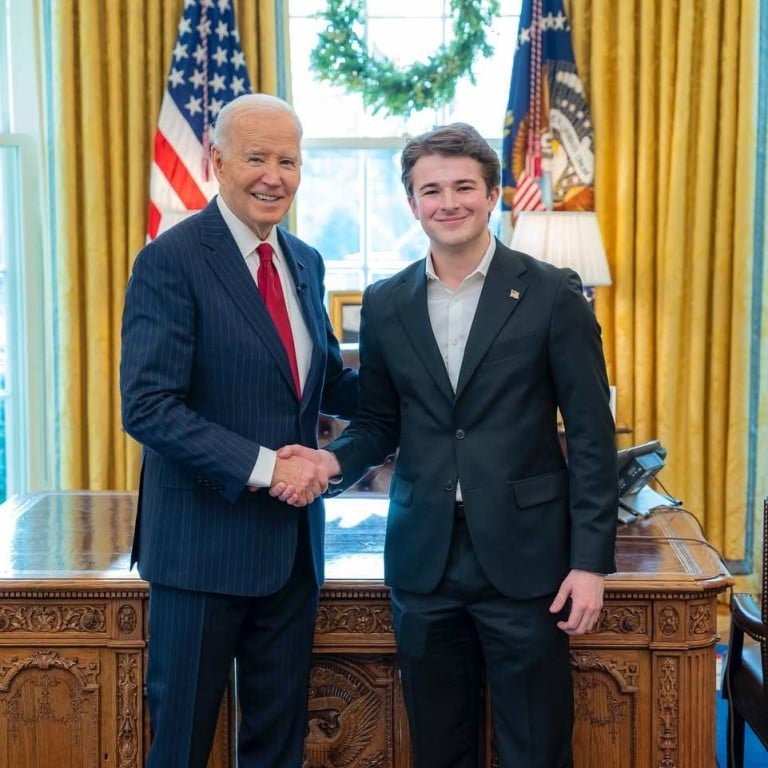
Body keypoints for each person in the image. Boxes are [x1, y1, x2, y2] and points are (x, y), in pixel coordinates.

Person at [276, 123, 618, 768]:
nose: (448, 202)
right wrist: (330, 461)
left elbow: (594, 437)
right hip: (423, 560)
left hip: (528, 562)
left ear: (492, 195)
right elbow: (379, 423)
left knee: (535, 748)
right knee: (437, 747)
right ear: (412, 203)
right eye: (430, 190)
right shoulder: (385, 302)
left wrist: (590, 562)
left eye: (464, 186)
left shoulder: (552, 293)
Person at [120, 93, 357, 768]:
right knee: (181, 747)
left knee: (277, 748)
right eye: (257, 157)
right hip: (200, 551)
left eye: (288, 160)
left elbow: (326, 382)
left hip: (291, 556)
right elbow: (148, 406)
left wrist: (434, 368)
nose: (273, 175)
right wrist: (267, 466)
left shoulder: (305, 261)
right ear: (216, 160)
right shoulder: (172, 260)